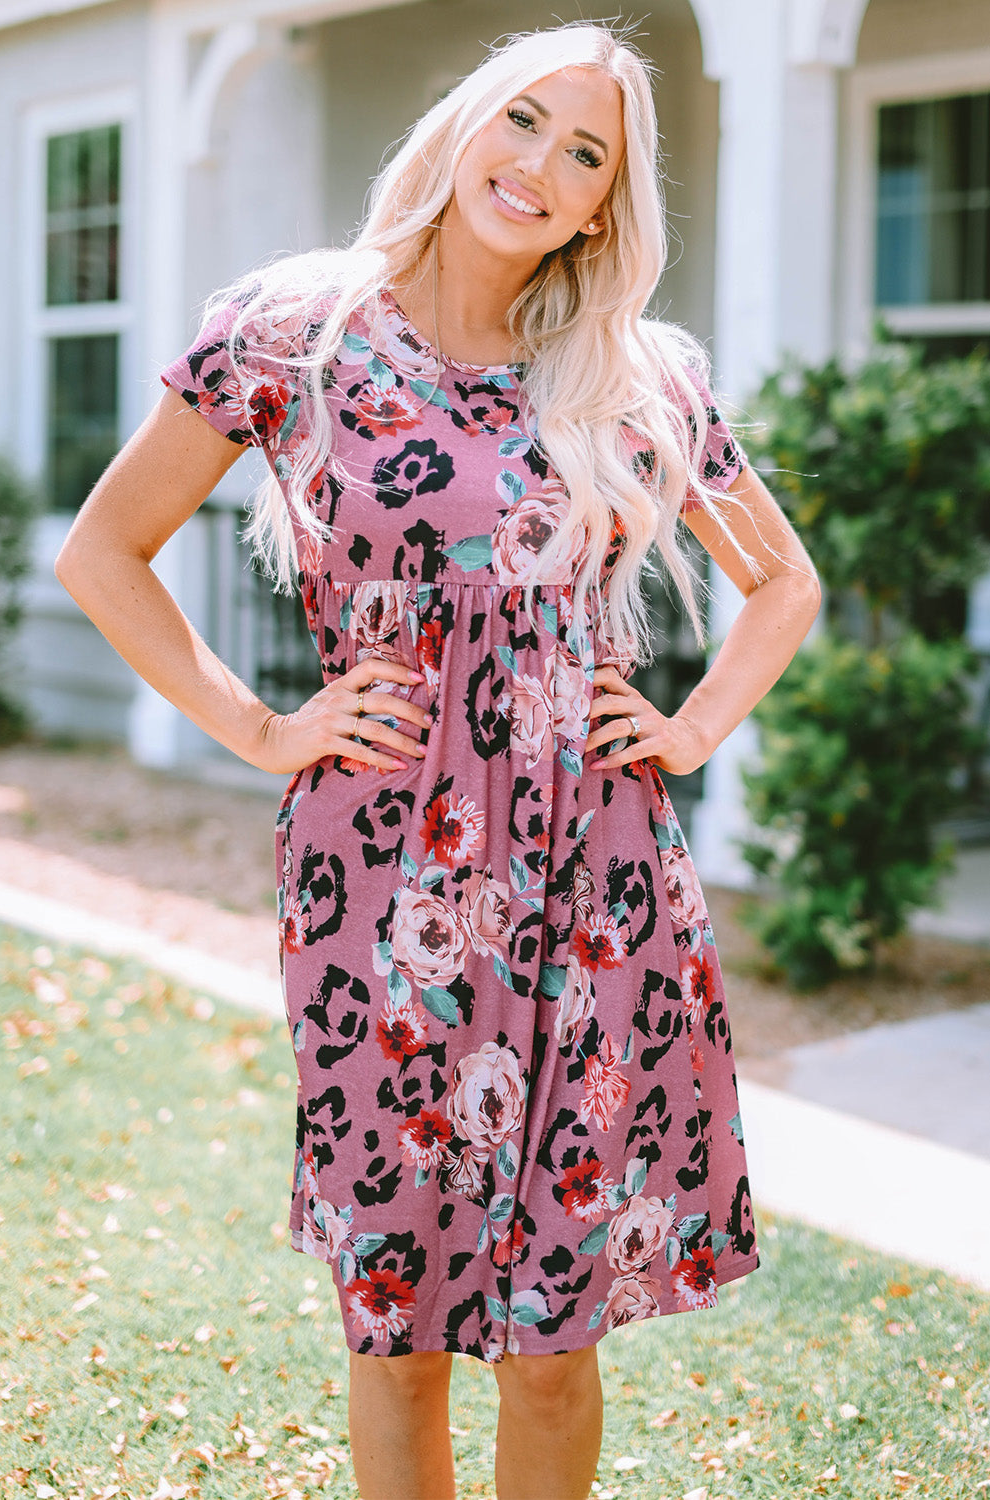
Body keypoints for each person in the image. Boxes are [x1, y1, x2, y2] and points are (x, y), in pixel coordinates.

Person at [55, 22, 821, 1500]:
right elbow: (106, 551)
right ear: (465, 125)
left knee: (551, 1340)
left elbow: (781, 582)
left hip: (595, 889)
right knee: (395, 1317)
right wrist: (266, 731)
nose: (539, 164)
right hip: (375, 878)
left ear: (607, 205)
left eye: (583, 151)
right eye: (523, 121)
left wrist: (692, 728)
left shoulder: (631, 373)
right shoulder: (298, 329)